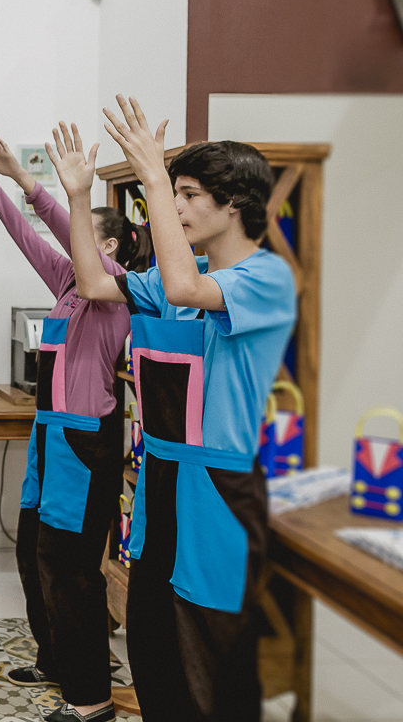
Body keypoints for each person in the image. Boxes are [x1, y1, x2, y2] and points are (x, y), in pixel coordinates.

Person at [65, 95, 295, 722]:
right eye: (177, 194)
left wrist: (152, 178)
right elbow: (91, 282)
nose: (177, 206)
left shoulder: (264, 281)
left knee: (210, 663)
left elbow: (184, 290)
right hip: (159, 479)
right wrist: (80, 199)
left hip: (220, 489)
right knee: (154, 652)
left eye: (191, 194)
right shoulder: (182, 271)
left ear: (235, 205)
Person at [0, 126, 152, 722]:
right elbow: (21, 232)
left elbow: (65, 227)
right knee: (33, 555)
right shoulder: (66, 285)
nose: (74, 246)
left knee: (72, 572)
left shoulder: (120, 293)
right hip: (48, 434)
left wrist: (34, 182)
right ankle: (57, 660)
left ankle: (90, 701)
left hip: (85, 442)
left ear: (110, 247)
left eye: (90, 240)